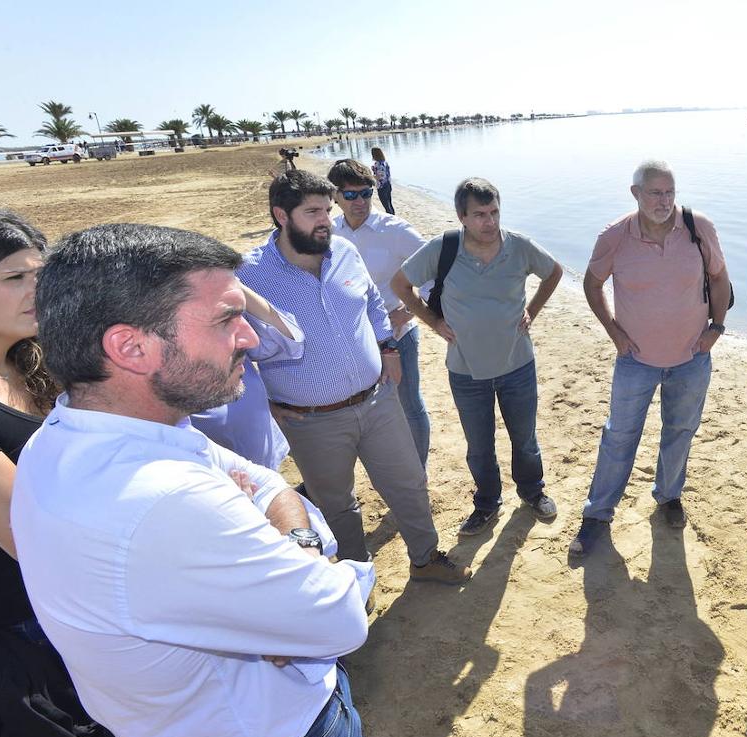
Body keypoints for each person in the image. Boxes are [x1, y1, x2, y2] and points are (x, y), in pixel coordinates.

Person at [11, 222, 377, 737]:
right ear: (131, 347)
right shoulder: (162, 500)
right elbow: (341, 617)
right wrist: (305, 549)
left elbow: (264, 479)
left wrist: (283, 546)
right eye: (227, 318)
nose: (251, 337)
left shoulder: (72, 436)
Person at [237, 170, 469, 583]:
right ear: (281, 215)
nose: (325, 219)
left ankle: (426, 557)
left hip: (377, 401)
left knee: (408, 483)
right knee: (336, 505)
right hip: (309, 419)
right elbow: (234, 351)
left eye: (327, 209)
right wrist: (263, 403)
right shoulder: (249, 276)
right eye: (312, 212)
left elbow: (373, 303)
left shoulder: (344, 251)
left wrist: (387, 345)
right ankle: (356, 579)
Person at [0, 209, 136, 737]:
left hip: (74, 599)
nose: (36, 291)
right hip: (23, 626)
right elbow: (28, 532)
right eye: (14, 278)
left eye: (40, 275)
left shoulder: (29, 364)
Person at [571, 160, 730, 555]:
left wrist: (717, 327)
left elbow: (720, 277)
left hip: (691, 357)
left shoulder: (698, 227)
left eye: (670, 192)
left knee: (680, 430)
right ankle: (597, 514)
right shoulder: (614, 236)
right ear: (635, 193)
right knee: (619, 435)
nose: (665, 200)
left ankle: (669, 495)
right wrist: (613, 332)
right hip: (635, 360)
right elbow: (592, 283)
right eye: (656, 192)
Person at [393, 177, 563, 535]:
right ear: (462, 216)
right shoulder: (444, 248)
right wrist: (433, 320)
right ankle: (486, 504)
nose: (490, 222)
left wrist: (532, 309)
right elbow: (400, 285)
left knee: (525, 439)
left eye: (494, 212)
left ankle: (533, 492)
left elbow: (554, 272)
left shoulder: (519, 246)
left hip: (517, 365)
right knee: (479, 446)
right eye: (480, 215)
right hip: (466, 371)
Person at [328, 159, 430, 467]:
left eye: (366, 192)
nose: (359, 201)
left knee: (408, 405)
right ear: (335, 196)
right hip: (351, 340)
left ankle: (417, 471)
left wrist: (406, 313)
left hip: (397, 337)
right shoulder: (328, 233)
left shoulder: (395, 230)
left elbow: (434, 276)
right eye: (350, 195)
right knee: (364, 407)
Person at [189, 286, 303, 470]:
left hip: (261, 456)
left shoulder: (215, 298)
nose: (250, 338)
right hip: (217, 478)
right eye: (223, 321)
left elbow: (286, 338)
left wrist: (230, 282)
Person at [371, 147, 395, 215]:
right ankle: (393, 217)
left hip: (382, 186)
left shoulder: (377, 164)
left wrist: (370, 176)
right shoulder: (385, 163)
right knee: (390, 204)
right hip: (388, 184)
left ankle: (391, 219)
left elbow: (379, 177)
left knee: (386, 206)